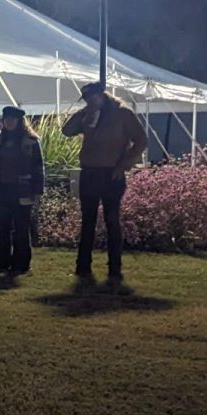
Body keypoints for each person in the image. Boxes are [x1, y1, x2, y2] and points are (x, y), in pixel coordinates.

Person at [62, 80, 148, 283]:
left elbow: (141, 141)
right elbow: (66, 131)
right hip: (89, 172)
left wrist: (124, 165)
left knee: (112, 220)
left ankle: (114, 268)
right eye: (87, 99)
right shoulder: (88, 115)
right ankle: (83, 267)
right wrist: (84, 114)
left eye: (93, 98)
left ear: (102, 95)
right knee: (87, 221)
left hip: (111, 174)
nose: (90, 101)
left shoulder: (122, 114)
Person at [0, 106, 44, 276]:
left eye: (12, 119)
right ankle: (0, 262)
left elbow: (38, 168)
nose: (9, 122)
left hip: (23, 189)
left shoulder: (31, 141)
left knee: (21, 227)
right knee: (2, 227)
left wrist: (38, 191)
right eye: (6, 119)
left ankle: (21, 263)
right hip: (3, 188)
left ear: (19, 121)